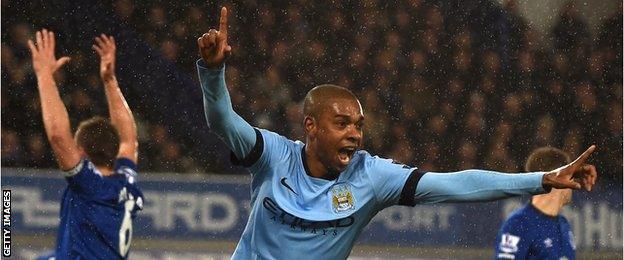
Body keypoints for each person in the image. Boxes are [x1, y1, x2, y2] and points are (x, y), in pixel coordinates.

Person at [196, 8, 598, 259]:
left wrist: (540, 179)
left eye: (359, 125)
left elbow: (457, 184)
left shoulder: (370, 177)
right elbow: (222, 121)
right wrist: (213, 73)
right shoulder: (273, 155)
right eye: (342, 124)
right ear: (311, 127)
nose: (355, 134)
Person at [28, 29, 144, 259]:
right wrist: (110, 81)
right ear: (114, 152)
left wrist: (44, 76)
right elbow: (129, 138)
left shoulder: (90, 185)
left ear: (81, 151)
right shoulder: (126, 181)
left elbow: (59, 137)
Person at [493, 147, 591, 259]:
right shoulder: (519, 224)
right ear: (557, 179)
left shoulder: (563, 224)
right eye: (571, 176)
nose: (574, 182)